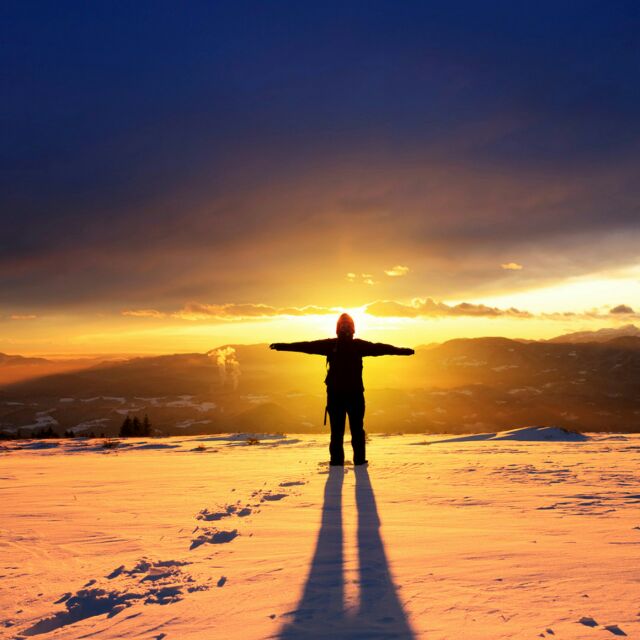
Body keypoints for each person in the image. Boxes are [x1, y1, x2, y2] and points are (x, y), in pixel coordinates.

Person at [270, 313, 414, 466]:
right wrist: (282, 346)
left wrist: (402, 351)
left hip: (342, 396)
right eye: (343, 325)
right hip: (349, 396)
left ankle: (342, 463)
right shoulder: (351, 345)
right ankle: (354, 462)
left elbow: (381, 348)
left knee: (345, 432)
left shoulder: (337, 345)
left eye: (346, 325)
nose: (345, 328)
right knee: (350, 431)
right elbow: (307, 346)